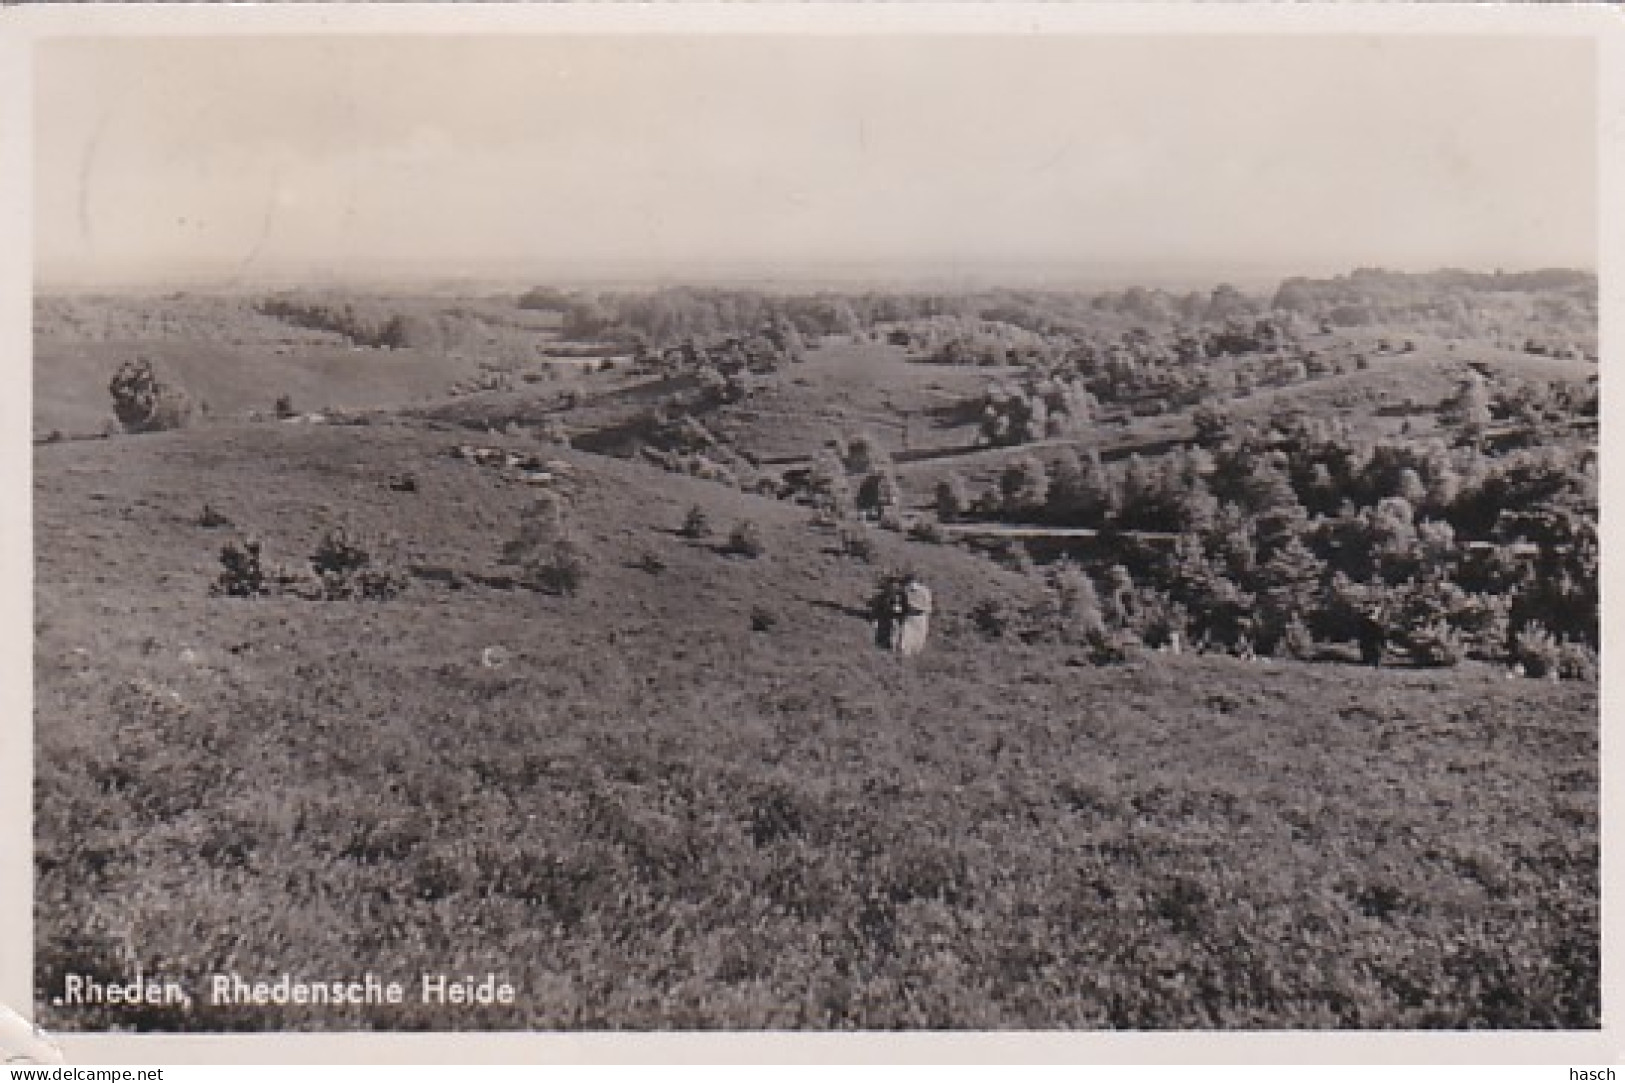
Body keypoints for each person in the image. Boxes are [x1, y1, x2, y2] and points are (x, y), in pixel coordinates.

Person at [895, 573, 933, 657]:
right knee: (904, 641)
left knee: (918, 641)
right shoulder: (905, 591)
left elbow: (927, 606)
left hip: (920, 618)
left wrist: (914, 606)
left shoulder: (924, 591)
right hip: (910, 618)